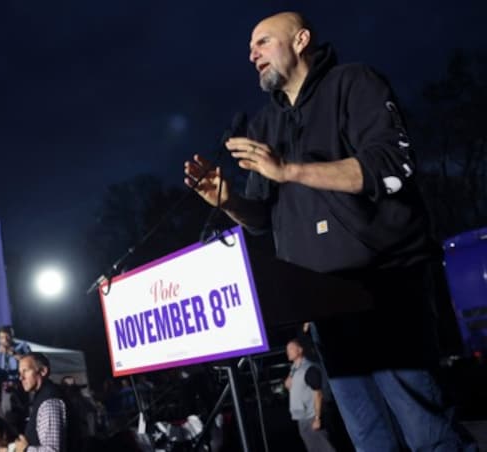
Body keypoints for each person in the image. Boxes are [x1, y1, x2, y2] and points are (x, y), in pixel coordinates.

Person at [184, 11, 474, 451]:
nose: (251, 54)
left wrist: (289, 169)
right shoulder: (265, 125)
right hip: (323, 302)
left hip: (385, 285)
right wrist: (228, 202)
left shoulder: (354, 83)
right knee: (369, 438)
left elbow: (391, 167)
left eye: (262, 42)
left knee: (425, 429)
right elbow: (263, 217)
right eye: (249, 47)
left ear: (301, 40)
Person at [284, 339, 335, 452]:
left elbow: (318, 394)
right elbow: (288, 385)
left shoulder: (309, 368)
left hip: (311, 417)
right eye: (287, 349)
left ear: (300, 350)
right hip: (301, 418)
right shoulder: (295, 369)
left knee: (324, 448)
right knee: (313, 448)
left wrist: (317, 418)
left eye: (291, 348)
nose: (288, 351)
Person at [14, 353, 67, 452]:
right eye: (20, 373)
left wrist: (25, 449)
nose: (21, 377)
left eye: (25, 371)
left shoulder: (49, 402)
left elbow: (52, 450)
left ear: (43, 371)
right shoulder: (42, 397)